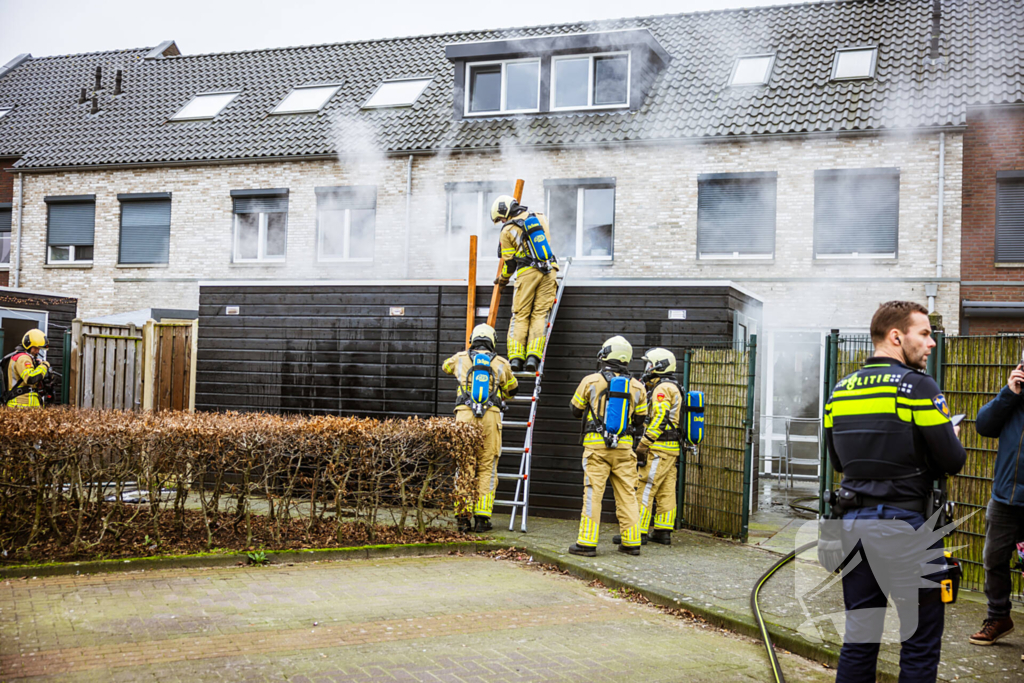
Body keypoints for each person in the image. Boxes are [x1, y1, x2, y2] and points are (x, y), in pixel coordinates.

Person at [824, 301, 966, 682]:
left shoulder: (839, 392)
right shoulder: (919, 387)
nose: (931, 343)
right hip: (908, 529)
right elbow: (953, 461)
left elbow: (839, 462)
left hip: (852, 528)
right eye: (924, 333)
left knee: (859, 637)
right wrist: (948, 436)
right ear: (896, 336)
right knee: (919, 641)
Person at [568, 335, 648, 557]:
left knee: (593, 493)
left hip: (596, 448)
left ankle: (587, 543)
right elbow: (640, 420)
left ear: (605, 355)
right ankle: (632, 542)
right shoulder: (638, 386)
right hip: (624, 448)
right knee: (627, 494)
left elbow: (575, 409)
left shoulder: (591, 380)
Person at [968, 352, 1024, 649]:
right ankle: (998, 617)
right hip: (1005, 498)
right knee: (993, 559)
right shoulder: (1012, 400)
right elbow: (984, 426)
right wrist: (1008, 393)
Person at [442, 323, 518, 533]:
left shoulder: (460, 358)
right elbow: (512, 390)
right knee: (487, 466)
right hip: (490, 417)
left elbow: (445, 367)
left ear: (472, 340)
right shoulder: (501, 363)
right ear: (493, 341)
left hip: (464, 416)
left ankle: (462, 518)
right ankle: (482, 519)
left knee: (464, 465)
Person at [491, 195, 558, 373]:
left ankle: (516, 359)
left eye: (501, 218)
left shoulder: (507, 231)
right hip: (550, 270)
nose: (502, 221)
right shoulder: (540, 217)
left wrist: (503, 279)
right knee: (540, 314)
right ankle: (533, 358)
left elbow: (510, 263)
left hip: (527, 274)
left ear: (505, 212)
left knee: (520, 315)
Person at [631, 348, 684, 546]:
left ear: (659, 366)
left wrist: (644, 444)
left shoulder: (662, 389)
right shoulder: (674, 386)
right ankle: (663, 531)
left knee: (645, 487)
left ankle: (637, 531)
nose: (647, 368)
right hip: (671, 449)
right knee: (667, 490)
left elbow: (660, 418)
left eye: (650, 364)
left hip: (658, 448)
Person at [4, 329, 50, 409]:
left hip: (26, 405)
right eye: (35, 348)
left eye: (38, 348)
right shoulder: (23, 358)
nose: (37, 351)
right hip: (20, 405)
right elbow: (30, 378)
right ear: (27, 345)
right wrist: (44, 365)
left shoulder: (25, 357)